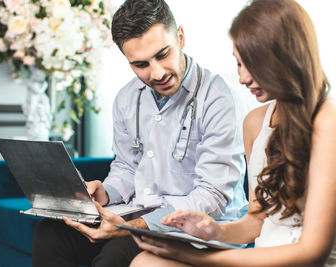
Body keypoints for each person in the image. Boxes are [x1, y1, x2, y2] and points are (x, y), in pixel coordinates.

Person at [32, 0, 248, 266]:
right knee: (51, 234)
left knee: (117, 253)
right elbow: (127, 168)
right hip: (139, 217)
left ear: (180, 37)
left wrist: (132, 226)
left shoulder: (218, 97)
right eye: (140, 64)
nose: (157, 73)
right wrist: (105, 192)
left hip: (200, 228)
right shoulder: (126, 98)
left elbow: (211, 196)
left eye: (162, 54)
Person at [130, 0, 336, 266]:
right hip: (258, 257)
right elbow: (256, 220)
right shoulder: (254, 122)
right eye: (238, 64)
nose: (243, 78)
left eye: (251, 64)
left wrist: (195, 257)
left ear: (285, 58)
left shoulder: (327, 122)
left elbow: (311, 251)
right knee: (147, 262)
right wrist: (212, 231)